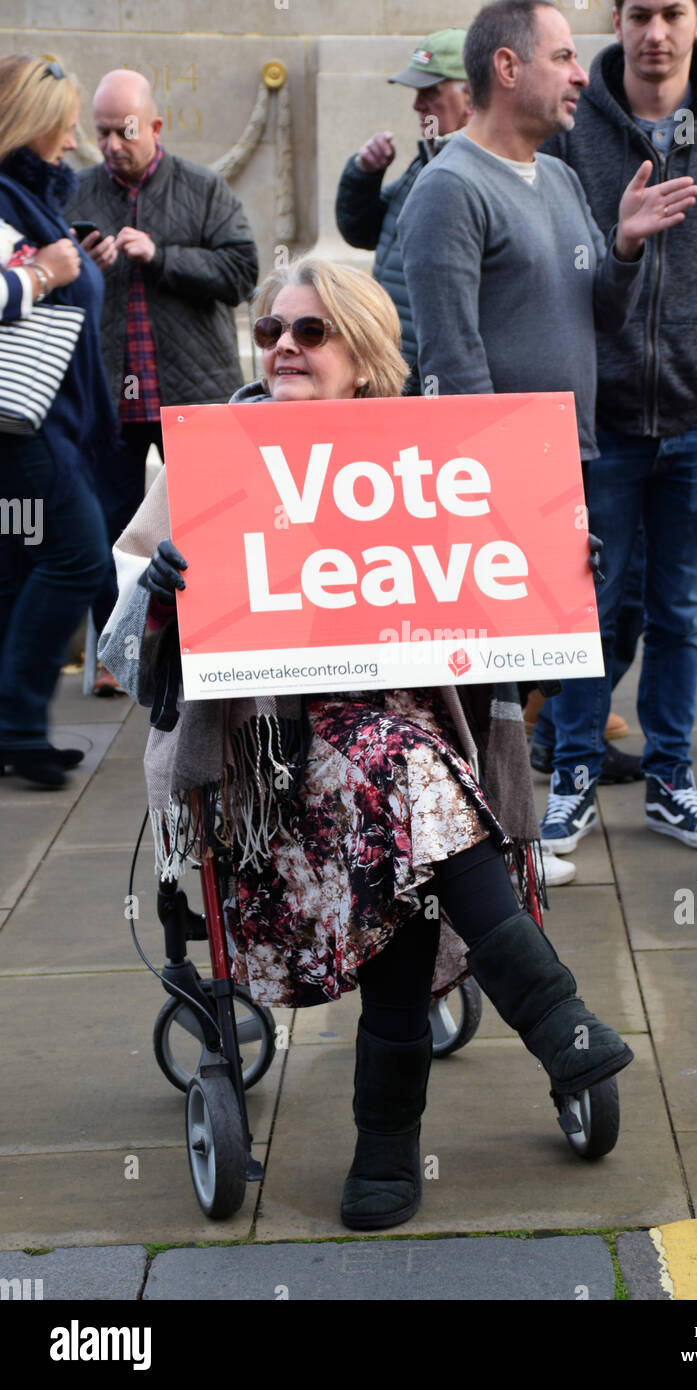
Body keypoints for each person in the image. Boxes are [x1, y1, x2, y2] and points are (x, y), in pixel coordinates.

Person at [97, 254, 634, 1231]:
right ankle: (541, 1026)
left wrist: (552, 574)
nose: (284, 348)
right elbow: (121, 648)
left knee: (402, 787)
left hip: (405, 785)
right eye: (269, 331)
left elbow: (505, 652)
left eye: (309, 332)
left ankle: (390, 1142)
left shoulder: (427, 461)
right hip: (266, 783)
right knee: (404, 780)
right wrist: (157, 593)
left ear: (362, 351)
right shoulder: (209, 454)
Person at [398, 1, 697, 860]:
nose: (581, 74)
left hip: (571, 462)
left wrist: (625, 251)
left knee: (531, 672)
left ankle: (507, 843)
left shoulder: (561, 177)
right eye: (564, 57)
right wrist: (504, 499)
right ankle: (477, 857)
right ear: (505, 68)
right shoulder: (449, 189)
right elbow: (453, 367)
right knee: (488, 679)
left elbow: (592, 313)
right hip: (497, 486)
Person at [538, 0, 697, 855]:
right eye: (639, 12)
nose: (655, 32)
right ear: (616, 16)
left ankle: (672, 779)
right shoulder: (574, 117)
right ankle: (569, 776)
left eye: (673, 12)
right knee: (585, 610)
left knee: (681, 612)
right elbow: (552, 261)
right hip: (597, 423)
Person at [67, 69, 258, 692]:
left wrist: (163, 256)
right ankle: (113, 661)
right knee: (113, 534)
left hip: (191, 397)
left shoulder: (204, 189)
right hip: (109, 401)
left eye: (123, 130)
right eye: (101, 132)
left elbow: (242, 271)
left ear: (154, 126)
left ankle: (206, 644)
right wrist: (80, 270)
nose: (112, 144)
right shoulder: (75, 193)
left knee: (203, 528)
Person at [0, 56, 115, 788]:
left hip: (36, 425)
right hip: (24, 426)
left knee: (16, 568)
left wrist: (78, 255)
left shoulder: (26, 197)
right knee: (80, 558)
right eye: (68, 129)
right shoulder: (7, 197)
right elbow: (23, 279)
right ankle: (17, 721)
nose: (74, 144)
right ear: (36, 125)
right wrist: (47, 273)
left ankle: (13, 730)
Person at [335, 29, 471, 393]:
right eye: (416, 93)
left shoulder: (476, 170)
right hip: (398, 368)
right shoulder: (426, 160)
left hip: (433, 379)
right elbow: (363, 231)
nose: (417, 106)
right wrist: (364, 174)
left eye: (431, 93)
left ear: (471, 95)